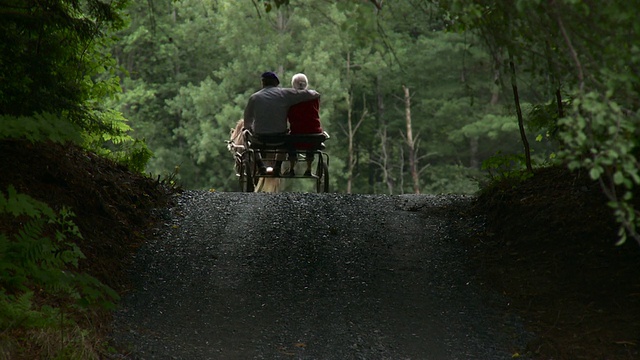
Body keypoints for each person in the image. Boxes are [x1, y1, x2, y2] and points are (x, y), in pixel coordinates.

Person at [243, 72, 320, 175]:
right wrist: (316, 93)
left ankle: (261, 165)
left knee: (249, 140)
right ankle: (277, 167)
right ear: (276, 83)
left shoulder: (254, 98)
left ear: (263, 83)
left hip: (260, 138)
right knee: (286, 140)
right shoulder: (284, 94)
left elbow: (247, 119)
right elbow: (306, 94)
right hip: (279, 138)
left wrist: (249, 129)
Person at [286, 73, 324, 176]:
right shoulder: (314, 97)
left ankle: (291, 168)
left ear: (293, 84)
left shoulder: (290, 98)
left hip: (296, 133)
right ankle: (308, 168)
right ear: (306, 84)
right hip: (314, 132)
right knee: (310, 141)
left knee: (289, 140)